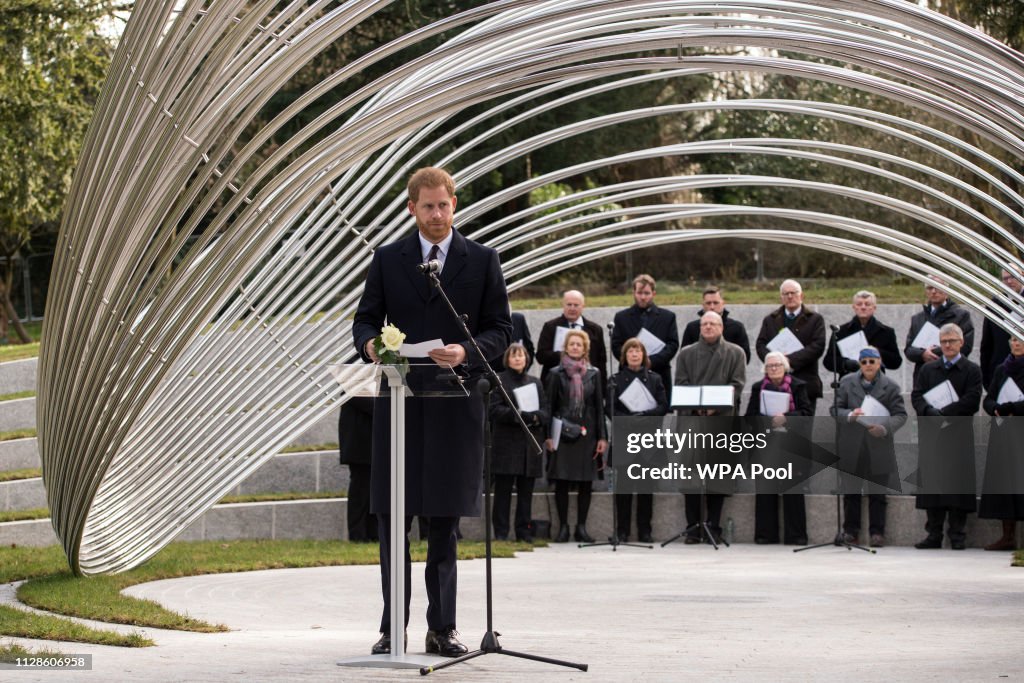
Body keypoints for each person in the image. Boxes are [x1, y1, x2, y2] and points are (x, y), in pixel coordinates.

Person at [352, 167, 512, 657]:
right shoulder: (387, 259)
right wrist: (371, 346)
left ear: (455, 205)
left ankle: (442, 629)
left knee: (443, 523)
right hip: (399, 406)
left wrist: (466, 351)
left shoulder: (482, 261)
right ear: (411, 209)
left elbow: (501, 329)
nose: (437, 214)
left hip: (453, 407)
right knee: (392, 521)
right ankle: (391, 630)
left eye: (444, 205)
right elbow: (363, 320)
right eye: (428, 207)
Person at [674, 311, 746, 543]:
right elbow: (681, 383)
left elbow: (737, 384)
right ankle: (693, 527)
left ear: (721, 327)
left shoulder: (736, 352)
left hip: (721, 420)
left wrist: (715, 406)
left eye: (713, 323)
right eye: (704, 324)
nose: (708, 327)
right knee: (692, 475)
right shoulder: (686, 353)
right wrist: (698, 406)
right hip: (692, 419)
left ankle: (714, 525)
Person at [911, 323, 982, 550]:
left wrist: (946, 413)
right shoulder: (928, 369)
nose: (948, 345)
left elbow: (972, 399)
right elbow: (917, 395)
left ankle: (957, 534)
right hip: (933, 434)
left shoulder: (971, 370)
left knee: (957, 485)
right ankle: (933, 533)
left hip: (958, 434)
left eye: (952, 341)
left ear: (961, 343)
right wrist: (931, 413)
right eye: (943, 342)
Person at [832, 347, 907, 548]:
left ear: (879, 362)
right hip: (852, 445)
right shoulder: (847, 383)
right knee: (851, 492)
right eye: (864, 362)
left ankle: (877, 533)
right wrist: (850, 415)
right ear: (859, 363)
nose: (868, 365)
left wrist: (883, 428)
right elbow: (835, 409)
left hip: (878, 445)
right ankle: (850, 531)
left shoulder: (890, 386)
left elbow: (900, 415)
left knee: (877, 493)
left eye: (872, 361)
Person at [545, 329, 608, 543]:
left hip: (587, 433)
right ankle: (563, 527)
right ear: (566, 347)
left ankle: (581, 527)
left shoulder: (594, 373)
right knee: (561, 481)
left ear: (585, 348)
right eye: (571, 344)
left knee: (585, 483)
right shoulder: (556, 373)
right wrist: (548, 436)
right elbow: (549, 406)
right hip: (562, 432)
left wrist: (602, 437)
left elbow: (599, 406)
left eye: (579, 344)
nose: (575, 347)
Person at [745, 351, 812, 545]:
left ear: (785, 367)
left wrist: (786, 418)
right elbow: (750, 416)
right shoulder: (758, 388)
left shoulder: (798, 386)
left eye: (777, 365)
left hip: (792, 444)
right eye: (770, 366)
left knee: (793, 491)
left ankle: (796, 535)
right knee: (765, 491)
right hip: (766, 443)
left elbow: (807, 413)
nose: (773, 369)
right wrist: (768, 420)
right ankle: (765, 534)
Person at [607, 337, 669, 543]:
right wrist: (628, 420)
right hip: (625, 436)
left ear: (644, 355)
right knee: (623, 488)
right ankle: (622, 530)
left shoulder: (655, 379)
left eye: (638, 351)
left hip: (648, 437)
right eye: (630, 351)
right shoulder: (615, 379)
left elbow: (663, 406)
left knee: (646, 488)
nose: (634, 354)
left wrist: (645, 417)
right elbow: (610, 408)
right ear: (624, 356)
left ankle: (645, 530)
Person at [489, 343, 548, 542]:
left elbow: (545, 411)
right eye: (514, 355)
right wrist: (519, 415)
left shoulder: (535, 382)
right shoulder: (500, 380)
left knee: (526, 493)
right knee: (502, 492)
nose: (517, 358)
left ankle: (523, 531)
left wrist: (535, 417)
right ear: (507, 359)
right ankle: (501, 532)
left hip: (529, 446)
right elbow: (494, 410)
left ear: (526, 359)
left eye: (521, 355)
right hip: (506, 445)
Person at [978, 335, 1024, 550]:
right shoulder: (1001, 369)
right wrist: (995, 407)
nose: (1016, 343)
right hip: (1003, 432)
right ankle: (1007, 536)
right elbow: (988, 398)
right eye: (1013, 339)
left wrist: (1013, 408)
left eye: (1021, 340)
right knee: (1005, 485)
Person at [755, 279, 826, 414]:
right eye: (785, 293)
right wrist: (775, 361)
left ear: (801, 296)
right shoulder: (770, 320)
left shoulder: (815, 319)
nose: (790, 296)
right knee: (773, 430)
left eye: (793, 293)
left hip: (805, 383)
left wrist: (789, 360)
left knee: (802, 432)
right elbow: (760, 345)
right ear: (781, 297)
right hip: (775, 385)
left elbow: (818, 346)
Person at [610, 274, 679, 390]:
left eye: (646, 293)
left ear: (653, 294)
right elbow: (616, 345)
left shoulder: (668, 317)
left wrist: (650, 361)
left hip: (659, 374)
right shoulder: (621, 317)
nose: (643, 297)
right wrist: (633, 361)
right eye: (639, 293)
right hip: (628, 376)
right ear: (634, 293)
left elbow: (672, 345)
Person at [904, 280, 974, 382]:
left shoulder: (961, 316)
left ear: (947, 290)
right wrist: (922, 354)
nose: (933, 291)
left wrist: (933, 353)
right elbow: (908, 350)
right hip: (923, 377)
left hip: (952, 374)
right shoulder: (917, 318)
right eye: (929, 288)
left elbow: (965, 346)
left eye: (938, 287)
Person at [537, 290, 608, 387]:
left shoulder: (595, 329)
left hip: (588, 385)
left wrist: (602, 389)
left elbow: (601, 362)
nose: (572, 308)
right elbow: (541, 356)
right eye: (569, 304)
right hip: (557, 385)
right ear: (563, 305)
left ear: (583, 306)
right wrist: (566, 354)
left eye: (576, 305)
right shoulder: (550, 327)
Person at [824, 290, 902, 378]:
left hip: (877, 382)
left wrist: (877, 352)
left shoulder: (887, 332)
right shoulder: (840, 331)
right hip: (849, 381)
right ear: (854, 307)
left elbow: (896, 362)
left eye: (867, 304)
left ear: (874, 307)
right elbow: (828, 361)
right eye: (859, 304)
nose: (863, 307)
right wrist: (845, 363)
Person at [339, 396, 377, 543]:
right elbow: (355, 394)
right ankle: (358, 534)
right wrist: (385, 408)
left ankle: (373, 532)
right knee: (361, 488)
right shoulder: (351, 375)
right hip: (359, 436)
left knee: (374, 488)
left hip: (371, 435)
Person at [680, 285, 751, 362]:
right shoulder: (692, 328)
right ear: (703, 305)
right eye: (708, 303)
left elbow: (745, 357)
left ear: (723, 303)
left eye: (716, 303)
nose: (712, 307)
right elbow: (684, 357)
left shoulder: (737, 327)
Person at [980, 269, 1024, 388]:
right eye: (1005, 278)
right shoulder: (995, 304)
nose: (1009, 281)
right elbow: (987, 343)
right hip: (1000, 372)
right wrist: (986, 378)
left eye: (1013, 277)